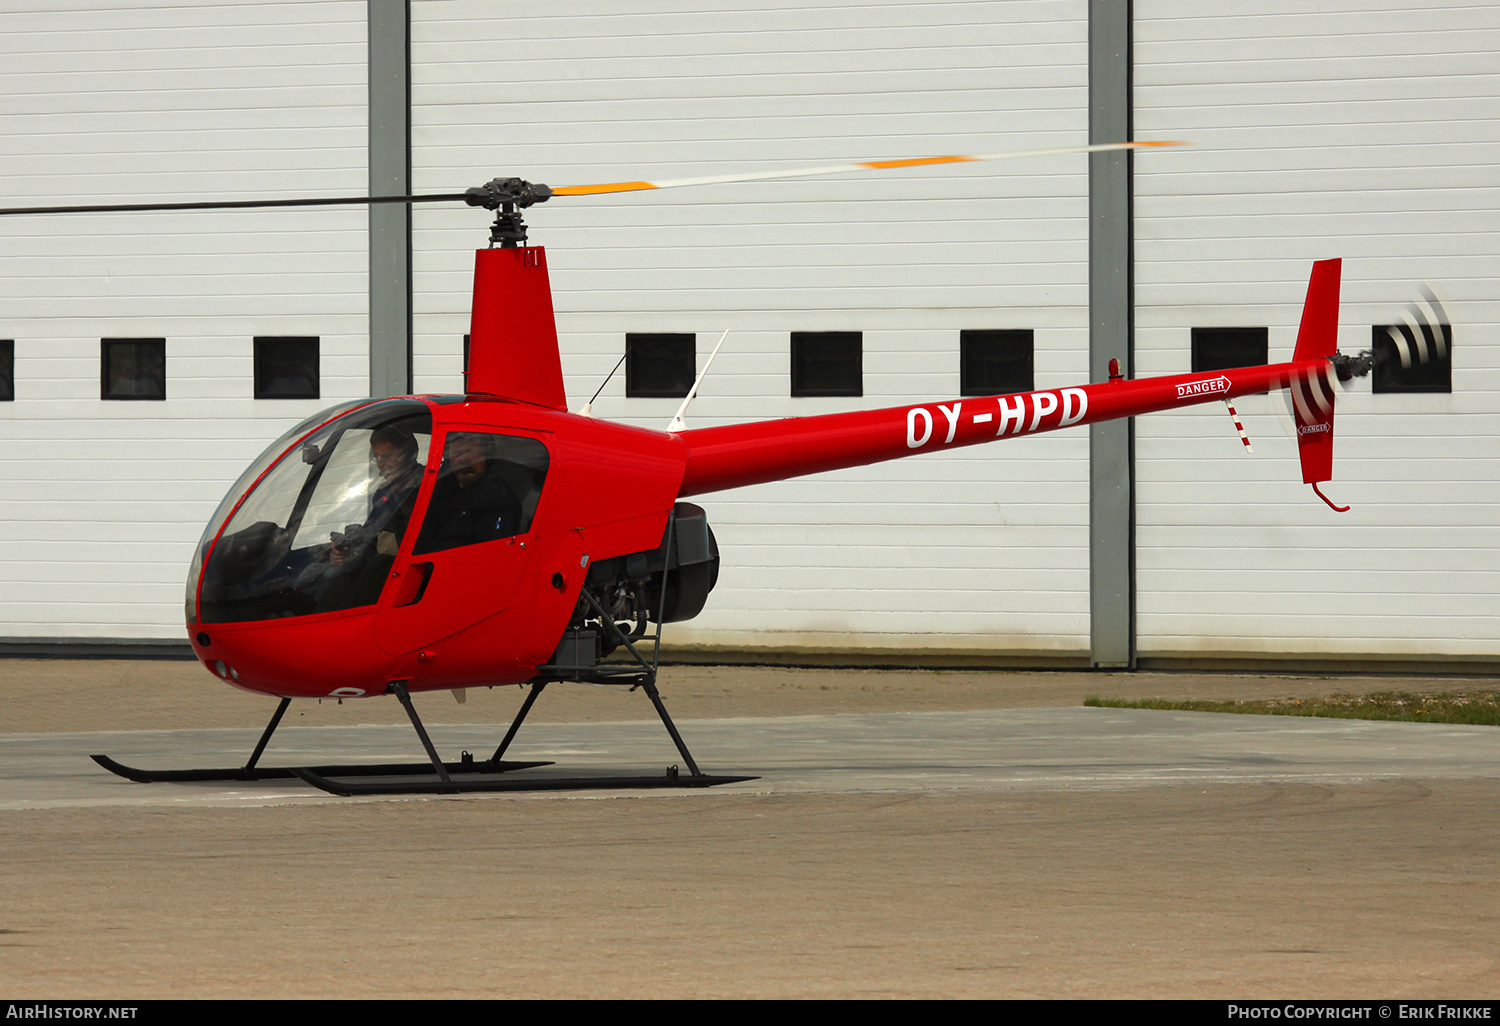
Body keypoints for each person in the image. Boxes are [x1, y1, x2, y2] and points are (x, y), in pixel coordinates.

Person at [413, 432, 522, 554]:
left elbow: (491, 553)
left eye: (470, 451)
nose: (463, 459)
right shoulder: (441, 491)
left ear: (486, 457)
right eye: (457, 453)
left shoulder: (496, 498)